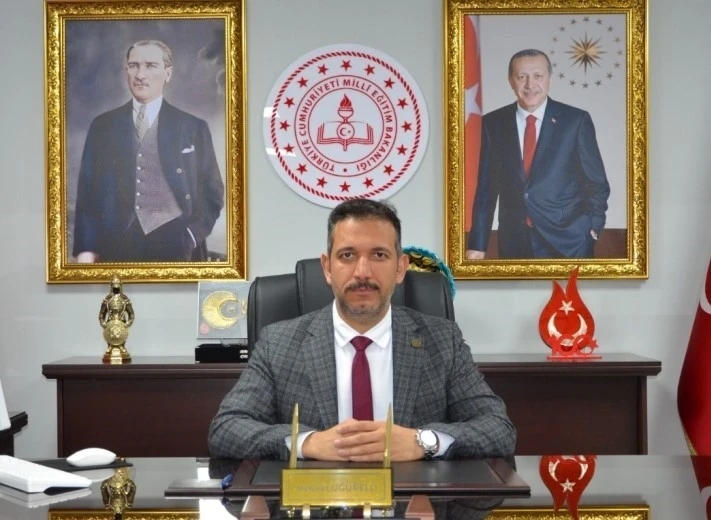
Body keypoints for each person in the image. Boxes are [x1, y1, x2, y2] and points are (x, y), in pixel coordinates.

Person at [208, 198, 515, 461]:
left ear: (400, 268)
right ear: (327, 268)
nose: (362, 272)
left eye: (379, 255)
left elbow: (498, 429)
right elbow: (226, 429)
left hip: (412, 499)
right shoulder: (279, 343)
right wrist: (308, 444)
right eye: (347, 255)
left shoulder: (442, 340)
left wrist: (422, 441)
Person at [73, 39, 225, 262]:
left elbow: (213, 194)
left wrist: (191, 236)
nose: (140, 74)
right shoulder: (103, 126)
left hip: (178, 247)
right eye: (133, 66)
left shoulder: (193, 127)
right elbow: (88, 194)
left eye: (151, 66)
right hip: (115, 247)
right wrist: (86, 251)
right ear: (126, 71)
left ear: (168, 73)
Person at [466, 49, 610, 260]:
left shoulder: (575, 121)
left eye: (538, 76)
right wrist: (477, 244)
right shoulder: (493, 123)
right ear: (510, 81)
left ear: (550, 78)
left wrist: (592, 228)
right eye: (521, 76)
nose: (530, 84)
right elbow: (486, 191)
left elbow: (596, 183)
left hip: (569, 242)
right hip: (514, 242)